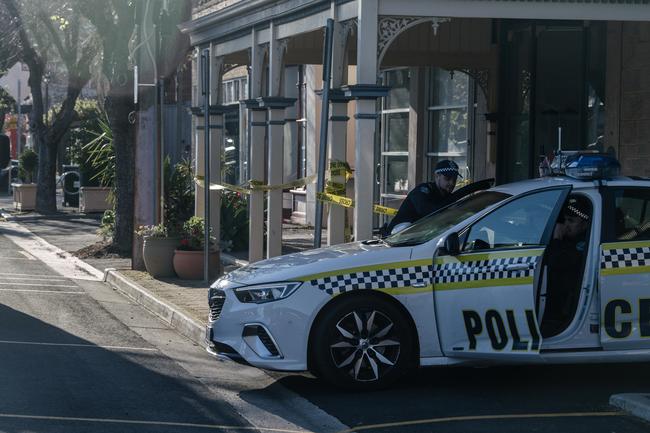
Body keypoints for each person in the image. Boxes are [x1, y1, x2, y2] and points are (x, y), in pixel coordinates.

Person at [541, 195, 591, 337]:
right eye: (565, 220)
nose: (566, 225)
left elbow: (559, 262)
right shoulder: (570, 241)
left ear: (585, 225)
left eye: (571, 221)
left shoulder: (583, 244)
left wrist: (557, 239)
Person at [386, 160, 462, 234]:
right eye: (447, 179)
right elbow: (429, 213)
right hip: (396, 237)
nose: (452, 183)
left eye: (454, 179)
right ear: (437, 176)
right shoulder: (422, 192)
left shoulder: (446, 196)